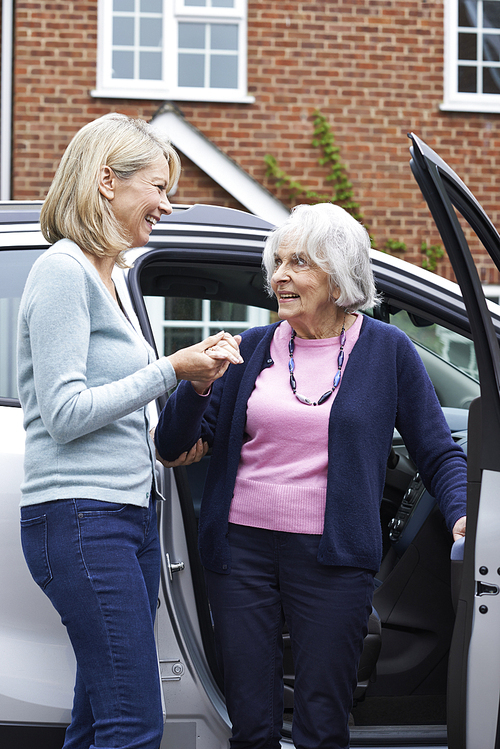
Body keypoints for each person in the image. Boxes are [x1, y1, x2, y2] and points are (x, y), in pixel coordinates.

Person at [154, 202, 467, 749]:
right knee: (251, 722)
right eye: (276, 261)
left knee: (323, 721)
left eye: (298, 262)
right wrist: (196, 383)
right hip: (239, 552)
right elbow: (174, 446)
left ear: (338, 271)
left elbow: (437, 449)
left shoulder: (388, 351)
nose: (279, 275)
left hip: (334, 557)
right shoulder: (249, 350)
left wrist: (465, 513)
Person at [17, 113, 242, 749]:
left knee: (96, 721)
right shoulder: (64, 271)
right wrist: (171, 368)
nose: (167, 205)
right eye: (159, 187)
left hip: (128, 518)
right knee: (133, 725)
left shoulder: (108, 277)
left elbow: (115, 406)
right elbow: (64, 415)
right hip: (86, 520)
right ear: (108, 182)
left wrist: (174, 425)